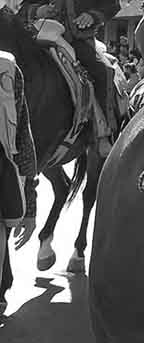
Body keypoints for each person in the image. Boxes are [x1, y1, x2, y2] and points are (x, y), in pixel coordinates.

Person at [14, 0, 120, 151]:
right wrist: (38, 9)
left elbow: (112, 4)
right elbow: (24, 9)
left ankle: (104, 134)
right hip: (43, 40)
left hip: (80, 40)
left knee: (102, 71)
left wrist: (92, 16)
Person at [0, 52, 36, 317]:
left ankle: (101, 127)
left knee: (98, 69)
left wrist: (91, 17)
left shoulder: (9, 70)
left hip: (68, 34)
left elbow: (22, 135)